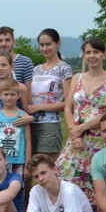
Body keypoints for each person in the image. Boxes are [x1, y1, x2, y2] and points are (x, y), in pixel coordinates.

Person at [55, 37, 106, 210]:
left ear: (104, 54)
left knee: (96, 181)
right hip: (76, 139)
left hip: (100, 140)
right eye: (88, 52)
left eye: (96, 52)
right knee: (65, 175)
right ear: (84, 55)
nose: (92, 56)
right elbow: (68, 108)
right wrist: (74, 133)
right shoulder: (77, 78)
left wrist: (82, 128)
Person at [30, 29, 72, 161]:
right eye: (41, 45)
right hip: (30, 123)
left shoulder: (64, 68)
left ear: (58, 43)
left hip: (50, 125)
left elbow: (68, 103)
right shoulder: (36, 69)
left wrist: (38, 107)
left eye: (48, 44)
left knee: (47, 165)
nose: (44, 48)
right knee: (31, 165)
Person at [0, 79, 32, 177]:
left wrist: (27, 165)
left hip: (18, 161)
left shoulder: (23, 116)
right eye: (6, 94)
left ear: (18, 95)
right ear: (0, 95)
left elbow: (28, 141)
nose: (9, 97)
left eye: (12, 94)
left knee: (17, 185)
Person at [0, 26, 34, 93]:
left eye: (7, 40)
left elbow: (29, 92)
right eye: (0, 41)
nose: (3, 44)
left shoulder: (25, 62)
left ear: (14, 41)